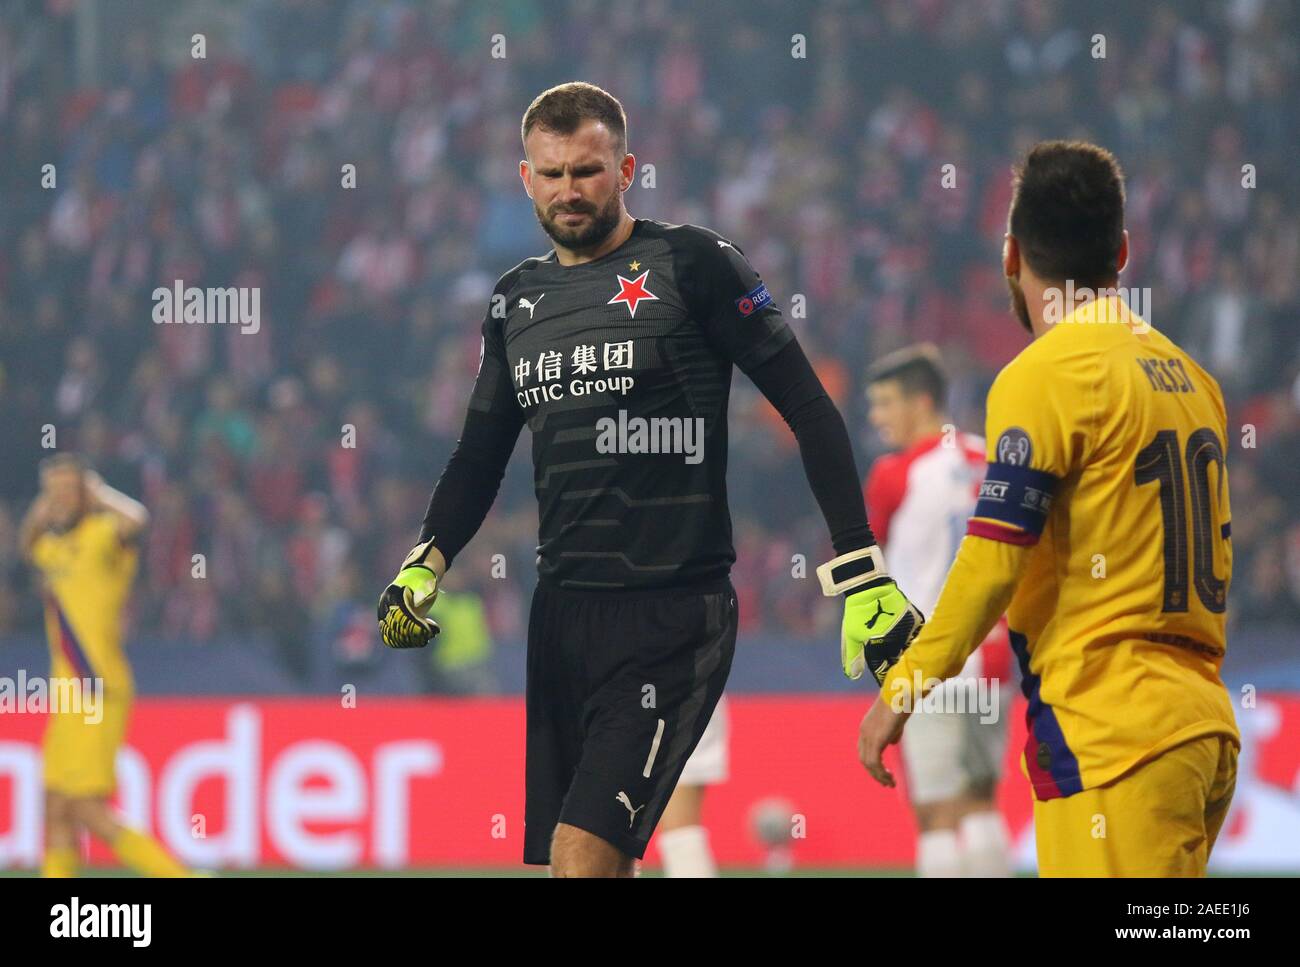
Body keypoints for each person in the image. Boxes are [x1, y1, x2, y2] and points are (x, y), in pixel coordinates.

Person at [376, 81, 922, 877]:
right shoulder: (514, 303)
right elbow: (478, 454)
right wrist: (425, 560)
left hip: (672, 610)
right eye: (552, 173)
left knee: (582, 859)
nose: (570, 189)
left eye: (588, 170)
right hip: (562, 615)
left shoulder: (694, 264)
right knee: (599, 861)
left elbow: (809, 407)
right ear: (524, 179)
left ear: (626, 167)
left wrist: (860, 567)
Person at [857, 141, 1239, 877]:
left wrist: (904, 684)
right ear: (1121, 250)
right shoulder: (1195, 381)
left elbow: (994, 558)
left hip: (1112, 732)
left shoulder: (1043, 375)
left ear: (1012, 255)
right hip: (1199, 723)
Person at [864, 345, 1011, 877]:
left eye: (885, 404)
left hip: (928, 660)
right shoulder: (990, 459)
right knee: (980, 802)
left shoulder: (894, 474)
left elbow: (869, 558)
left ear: (922, 402)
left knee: (935, 814)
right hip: (993, 659)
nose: (877, 417)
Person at [21, 454, 192, 877]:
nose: (58, 500)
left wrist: (98, 494)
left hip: (95, 687)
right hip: (66, 692)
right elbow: (26, 545)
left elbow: (138, 518)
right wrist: (40, 508)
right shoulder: (54, 547)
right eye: (52, 491)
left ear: (84, 494)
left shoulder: (102, 536)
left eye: (67, 491)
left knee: (85, 807)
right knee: (54, 802)